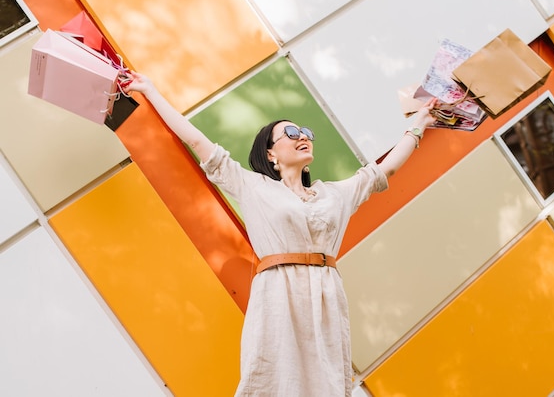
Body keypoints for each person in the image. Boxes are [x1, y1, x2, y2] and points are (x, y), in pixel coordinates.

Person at [125, 72, 438, 396]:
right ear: (271, 154)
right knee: (271, 379)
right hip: (277, 294)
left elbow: (384, 170)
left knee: (326, 383)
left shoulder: (334, 194)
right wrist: (150, 91)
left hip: (325, 297)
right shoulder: (252, 186)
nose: (302, 135)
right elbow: (197, 141)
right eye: (290, 132)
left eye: (305, 131)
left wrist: (420, 124)